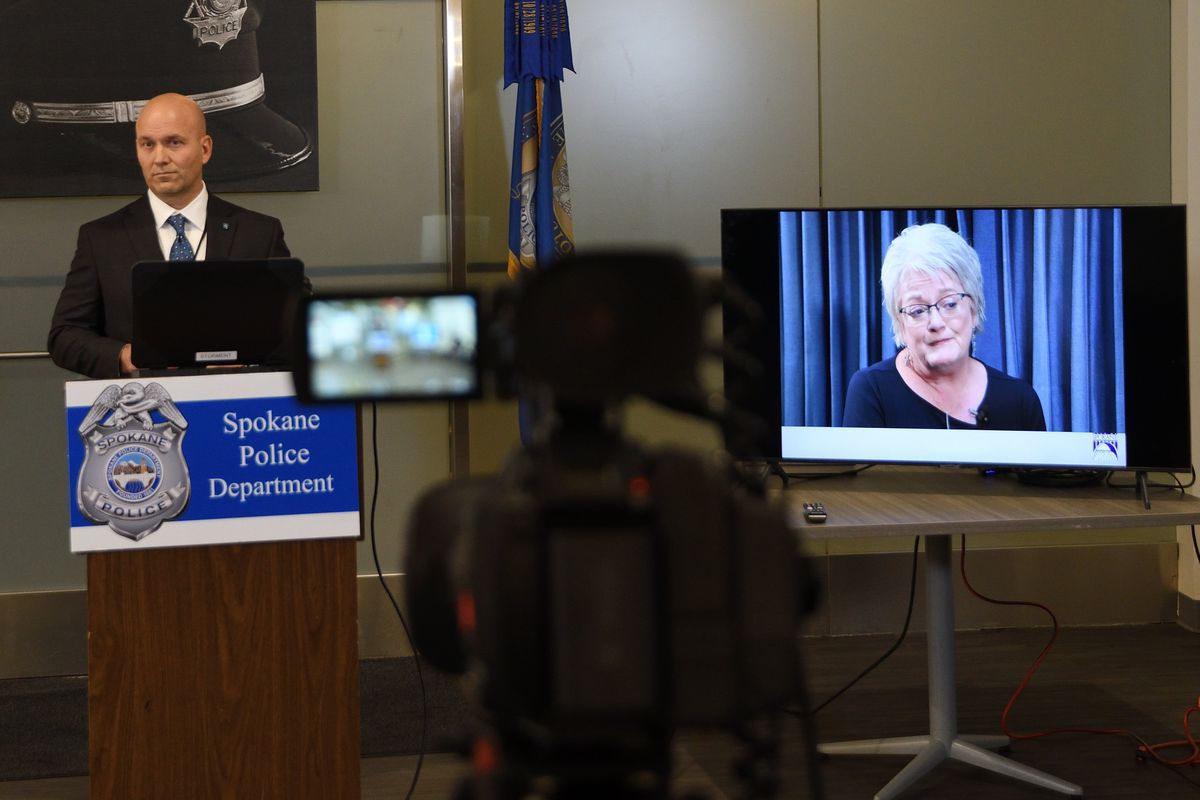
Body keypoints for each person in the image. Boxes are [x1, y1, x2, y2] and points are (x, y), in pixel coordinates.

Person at [47, 93, 291, 379]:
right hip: (147, 412)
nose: (160, 158)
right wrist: (125, 356)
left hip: (236, 415)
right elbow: (65, 336)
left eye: (174, 142)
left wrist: (249, 357)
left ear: (205, 149)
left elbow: (297, 328)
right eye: (147, 144)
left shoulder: (259, 233)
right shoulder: (100, 239)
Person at [842, 223, 1046, 430]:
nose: (936, 323)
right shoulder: (871, 391)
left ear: (974, 309)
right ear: (900, 323)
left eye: (949, 304)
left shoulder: (1020, 401)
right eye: (917, 310)